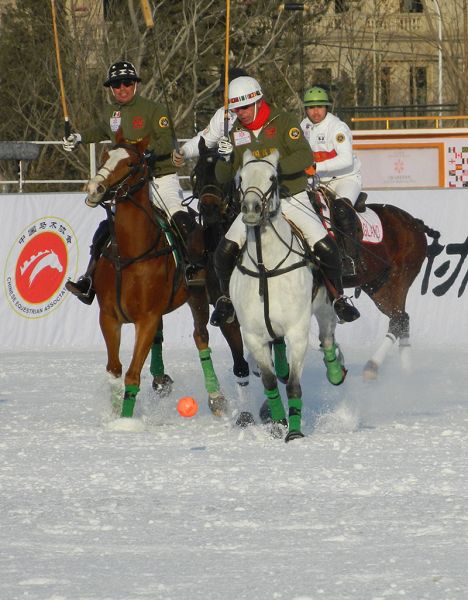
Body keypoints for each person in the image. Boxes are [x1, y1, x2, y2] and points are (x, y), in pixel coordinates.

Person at [209, 76, 360, 327]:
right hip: (254, 206)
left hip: (291, 197)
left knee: (326, 248)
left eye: (244, 107)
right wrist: (223, 158)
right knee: (223, 253)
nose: (241, 113)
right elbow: (223, 176)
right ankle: (226, 300)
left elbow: (304, 156)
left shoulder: (283, 122)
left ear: (257, 102)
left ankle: (339, 298)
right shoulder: (235, 132)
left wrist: (272, 168)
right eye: (236, 109)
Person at [62, 60, 205, 304]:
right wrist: (78, 137)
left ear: (136, 85)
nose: (122, 88)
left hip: (160, 177)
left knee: (178, 218)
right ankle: (89, 279)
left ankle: (193, 268)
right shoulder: (111, 113)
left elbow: (167, 140)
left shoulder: (154, 109)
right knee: (106, 229)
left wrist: (147, 151)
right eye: (116, 84)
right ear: (111, 88)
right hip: (131, 183)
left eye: (127, 82)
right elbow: (99, 129)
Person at [301, 86, 362, 276]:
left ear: (327, 108)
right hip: (317, 182)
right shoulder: (304, 126)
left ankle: (349, 259)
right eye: (311, 108)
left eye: (320, 107)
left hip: (345, 179)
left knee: (341, 210)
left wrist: (317, 167)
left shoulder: (337, 128)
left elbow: (345, 159)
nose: (316, 111)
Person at [171, 67, 248, 168]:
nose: (225, 96)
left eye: (229, 91)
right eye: (224, 92)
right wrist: (184, 151)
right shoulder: (222, 114)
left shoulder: (256, 112)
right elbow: (205, 141)